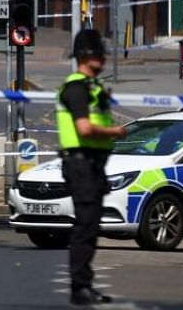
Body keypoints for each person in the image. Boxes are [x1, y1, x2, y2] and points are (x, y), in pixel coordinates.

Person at [58, 29, 128, 306]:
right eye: (99, 54)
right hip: (80, 164)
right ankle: (80, 287)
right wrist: (114, 132)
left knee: (90, 226)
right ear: (88, 56)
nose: (103, 59)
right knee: (85, 226)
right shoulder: (76, 88)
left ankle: (84, 284)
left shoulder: (92, 87)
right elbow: (84, 128)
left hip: (92, 165)